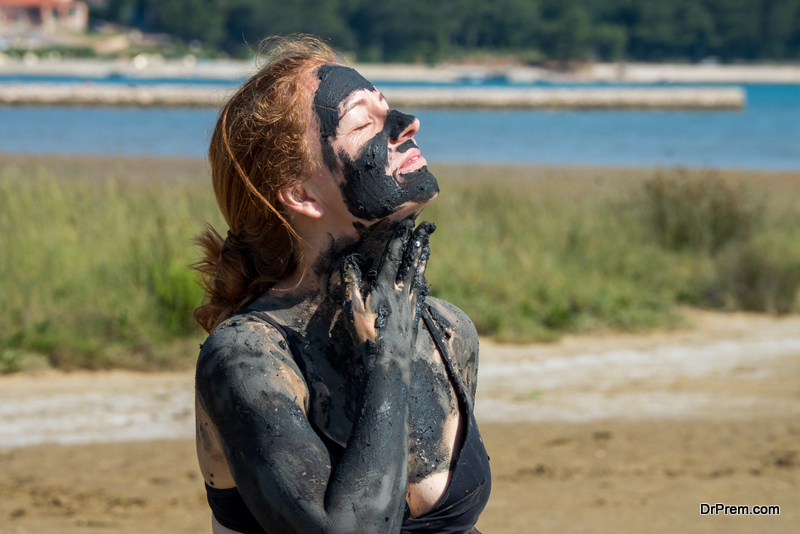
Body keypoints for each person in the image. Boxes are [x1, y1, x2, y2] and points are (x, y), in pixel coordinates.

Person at [193, 35, 491, 534]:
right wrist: (388, 360)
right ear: (301, 193)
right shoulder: (247, 356)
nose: (407, 124)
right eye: (363, 122)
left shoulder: (446, 330)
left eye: (388, 109)